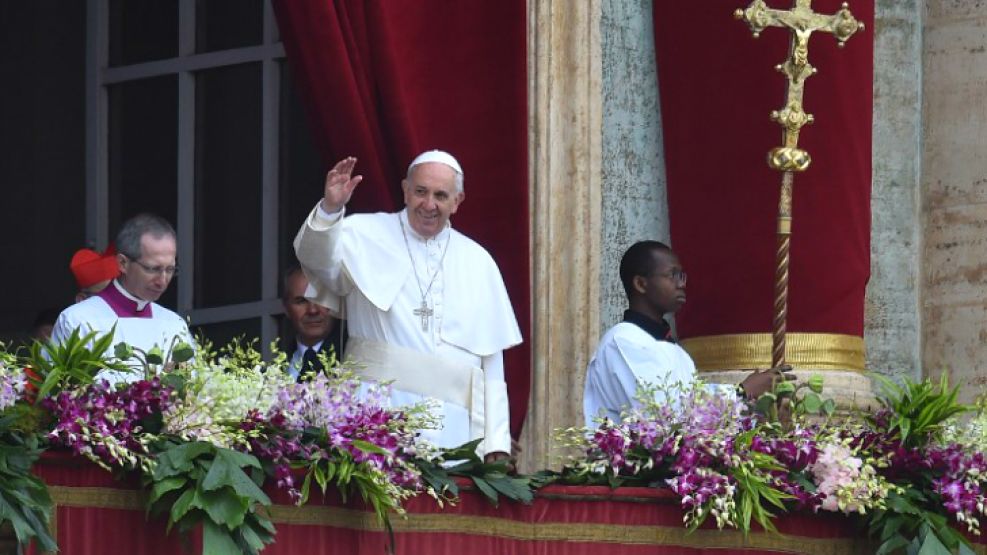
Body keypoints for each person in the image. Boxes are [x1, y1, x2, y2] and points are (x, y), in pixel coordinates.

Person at [294, 151, 521, 462]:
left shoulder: (479, 262)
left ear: (457, 201)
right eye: (420, 192)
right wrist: (331, 210)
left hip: (455, 431)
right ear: (405, 190)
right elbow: (317, 263)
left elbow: (492, 363)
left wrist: (496, 443)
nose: (429, 204)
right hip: (375, 413)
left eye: (441, 195)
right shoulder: (362, 233)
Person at [583, 241, 780, 427]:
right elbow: (663, 419)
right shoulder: (623, 341)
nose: (681, 284)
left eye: (682, 276)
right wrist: (742, 393)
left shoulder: (676, 351)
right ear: (641, 284)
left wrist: (758, 417)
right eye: (673, 275)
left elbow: (695, 418)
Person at [52, 214, 192, 383]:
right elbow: (58, 393)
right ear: (123, 263)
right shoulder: (78, 320)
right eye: (153, 269)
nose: (162, 281)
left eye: (170, 270)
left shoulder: (175, 324)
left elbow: (193, 391)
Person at [282, 265, 344, 380]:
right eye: (301, 301)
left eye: (320, 299)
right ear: (286, 308)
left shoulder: (353, 358)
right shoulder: (275, 368)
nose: (312, 310)